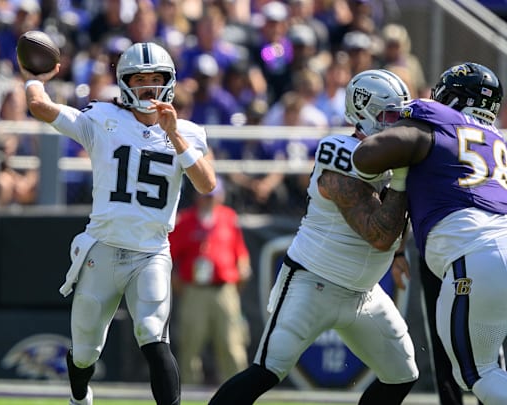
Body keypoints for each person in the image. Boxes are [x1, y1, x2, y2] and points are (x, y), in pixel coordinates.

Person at [21, 42, 217, 405]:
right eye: (139, 79)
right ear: (125, 83)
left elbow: (207, 184)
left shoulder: (188, 131)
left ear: (169, 82)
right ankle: (80, 397)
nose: (148, 87)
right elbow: (39, 107)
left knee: (153, 335)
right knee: (84, 352)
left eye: (155, 79)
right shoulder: (102, 119)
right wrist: (34, 79)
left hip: (151, 253)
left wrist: (173, 133)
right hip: (104, 248)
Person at [208, 69, 419, 405]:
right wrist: (404, 178)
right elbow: (378, 234)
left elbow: (395, 227)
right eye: (391, 115)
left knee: (401, 375)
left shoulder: (394, 160)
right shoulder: (339, 153)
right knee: (266, 370)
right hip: (313, 282)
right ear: (364, 112)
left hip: (363, 292)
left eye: (403, 116)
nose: (400, 125)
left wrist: (398, 254)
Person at [352, 62, 507, 405]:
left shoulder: (435, 117)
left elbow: (365, 157)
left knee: (478, 376)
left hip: (477, 252)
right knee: (487, 367)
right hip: (494, 243)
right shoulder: (497, 139)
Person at [169, 176, 251, 386]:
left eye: (213, 196)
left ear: (221, 197)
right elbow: (170, 256)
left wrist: (241, 272)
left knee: (232, 344)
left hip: (224, 289)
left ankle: (238, 391)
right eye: (205, 196)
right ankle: (187, 391)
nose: (208, 200)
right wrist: (177, 282)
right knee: (190, 344)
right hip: (194, 290)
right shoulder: (185, 220)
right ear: (197, 195)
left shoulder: (228, 218)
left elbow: (240, 254)